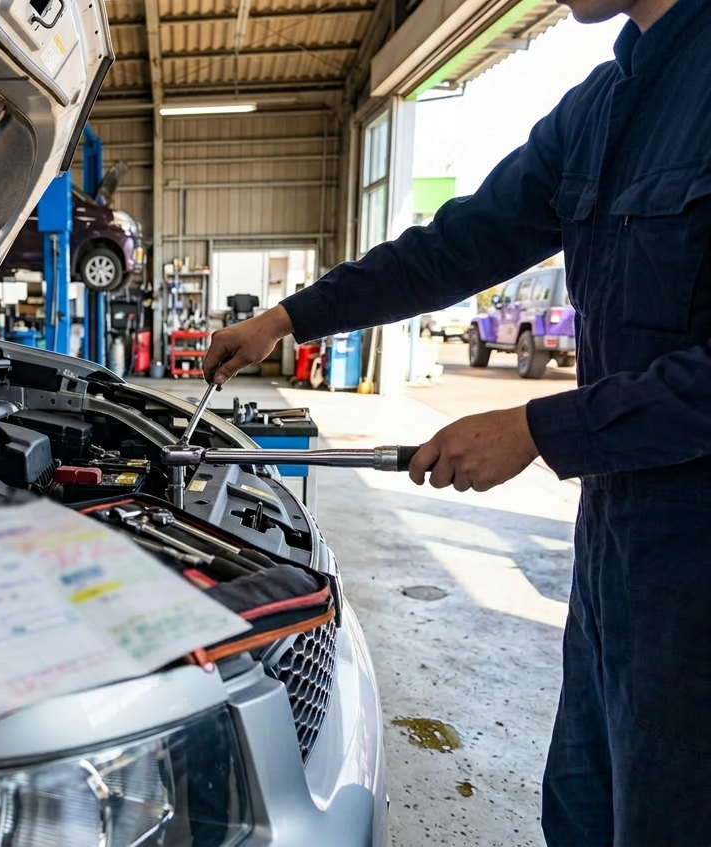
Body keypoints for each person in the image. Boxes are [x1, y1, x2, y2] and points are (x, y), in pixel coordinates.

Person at [202, 0, 711, 840]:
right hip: (615, 547)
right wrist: (286, 318)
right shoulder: (601, 107)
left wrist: (538, 430)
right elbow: (454, 247)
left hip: (694, 571)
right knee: (583, 807)